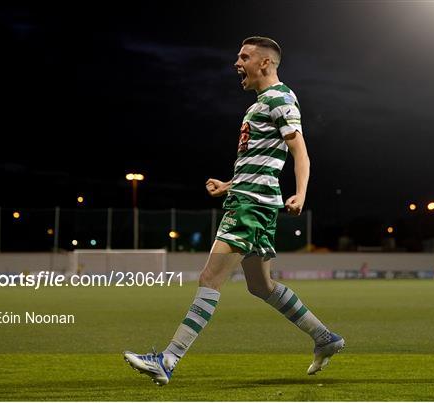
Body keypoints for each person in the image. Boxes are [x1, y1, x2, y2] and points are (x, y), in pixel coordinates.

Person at [124, 36, 344, 386]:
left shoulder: (280, 98)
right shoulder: (262, 104)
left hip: (251, 206)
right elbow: (264, 158)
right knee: (262, 286)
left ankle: (167, 359)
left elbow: (300, 152)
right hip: (247, 198)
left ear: (265, 64)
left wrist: (300, 193)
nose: (236, 63)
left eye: (244, 57)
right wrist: (229, 184)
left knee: (210, 279)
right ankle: (325, 338)